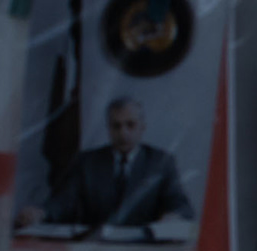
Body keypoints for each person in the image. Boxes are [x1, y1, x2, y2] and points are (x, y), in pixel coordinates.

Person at [17, 97, 189, 230]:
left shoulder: (161, 162)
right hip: (97, 247)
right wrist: (42, 213)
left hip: (143, 250)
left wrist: (173, 215)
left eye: (130, 125)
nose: (123, 133)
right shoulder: (87, 162)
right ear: (108, 128)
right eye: (116, 126)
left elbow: (180, 203)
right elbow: (64, 201)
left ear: (142, 127)